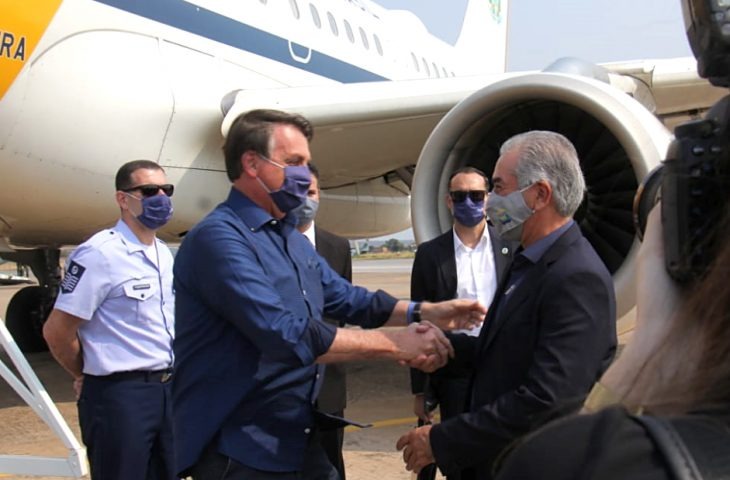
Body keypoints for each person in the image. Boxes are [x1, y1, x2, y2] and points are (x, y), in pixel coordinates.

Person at [171, 108, 487, 479]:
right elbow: (284, 333)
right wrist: (395, 343)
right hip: (240, 447)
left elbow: (347, 299)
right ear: (252, 164)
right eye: (294, 161)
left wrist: (427, 311)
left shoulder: (288, 236)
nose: (305, 174)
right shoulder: (220, 239)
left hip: (294, 435)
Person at [397, 130, 618, 479]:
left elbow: (548, 400)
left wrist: (443, 440)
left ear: (540, 194)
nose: (490, 203)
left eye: (498, 189)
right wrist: (444, 346)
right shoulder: (527, 261)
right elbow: (507, 352)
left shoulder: (576, 277)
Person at [494, 202, 730, 479]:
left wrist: (649, 349)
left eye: (498, 187)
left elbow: (569, 453)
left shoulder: (586, 461)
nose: (490, 200)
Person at [42, 160, 176, 480]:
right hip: (120, 397)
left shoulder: (163, 252)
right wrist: (84, 372)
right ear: (122, 199)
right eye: (148, 190)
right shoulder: (99, 254)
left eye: (165, 190)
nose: (160, 197)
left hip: (167, 390)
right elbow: (57, 331)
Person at [409, 167, 513, 480]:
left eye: (476, 195)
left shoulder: (511, 248)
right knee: (461, 463)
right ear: (448, 202)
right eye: (460, 196)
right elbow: (418, 323)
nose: (468, 202)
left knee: (504, 458)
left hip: (502, 367)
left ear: (488, 198)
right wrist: (420, 391)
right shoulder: (430, 254)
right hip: (454, 370)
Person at [292, 163, 352, 480]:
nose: (304, 198)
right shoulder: (261, 245)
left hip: (328, 385)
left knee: (330, 467)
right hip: (281, 386)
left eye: (311, 191)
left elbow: (341, 313)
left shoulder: (337, 247)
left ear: (320, 196)